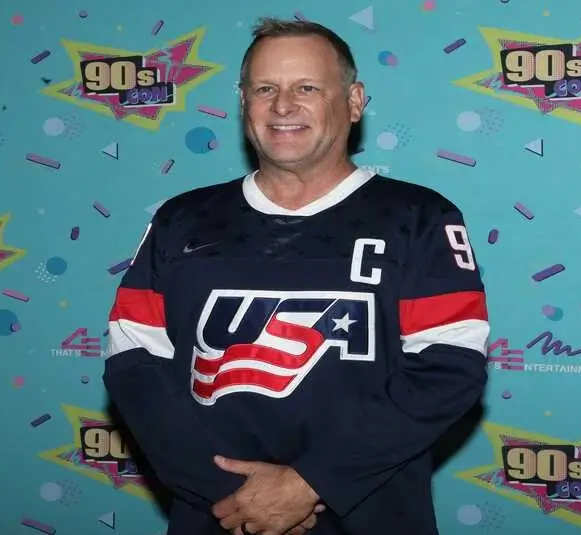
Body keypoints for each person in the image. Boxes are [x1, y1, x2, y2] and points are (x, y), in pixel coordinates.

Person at [103, 16, 490, 535]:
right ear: (243, 102)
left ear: (353, 102)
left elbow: (449, 368)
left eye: (307, 87)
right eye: (265, 89)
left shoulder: (420, 219)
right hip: (218, 516)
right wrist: (233, 498)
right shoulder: (182, 219)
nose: (283, 106)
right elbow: (134, 361)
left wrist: (312, 482)